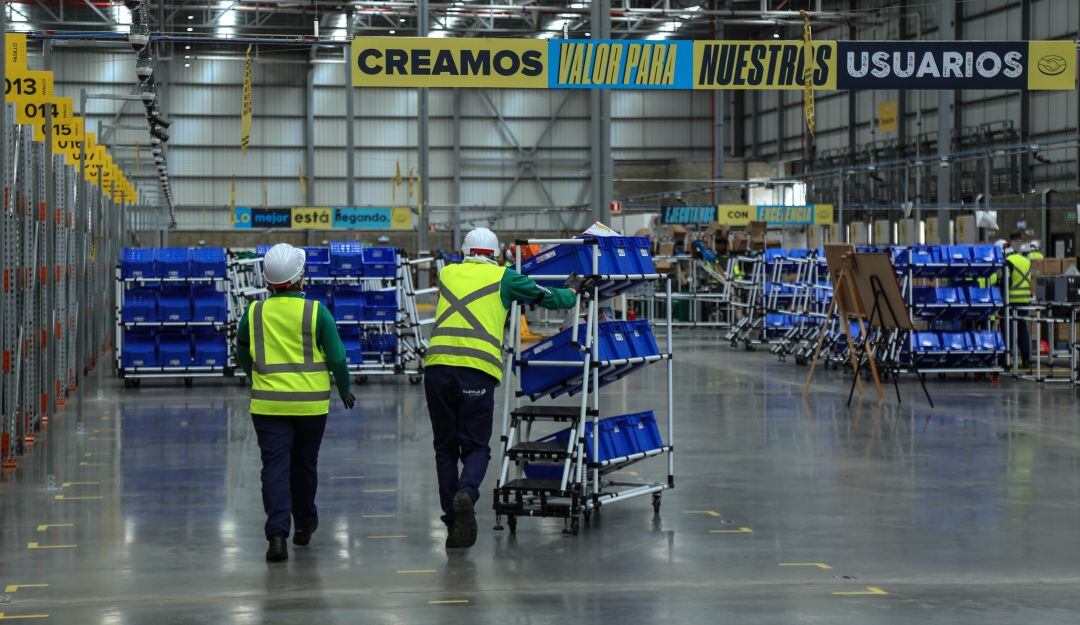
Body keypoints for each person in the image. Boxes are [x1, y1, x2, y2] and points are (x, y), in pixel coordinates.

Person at [423, 227, 586, 549]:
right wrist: (573, 290)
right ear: (495, 253)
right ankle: (466, 494)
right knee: (475, 447)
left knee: (444, 448)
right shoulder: (506, 277)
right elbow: (551, 299)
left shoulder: (447, 273)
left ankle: (453, 521)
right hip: (477, 371)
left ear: (466, 251)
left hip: (437, 367)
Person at [235, 243, 355, 562]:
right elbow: (338, 358)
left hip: (268, 406)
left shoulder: (255, 311)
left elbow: (241, 349)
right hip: (310, 407)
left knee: (274, 467)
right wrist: (344, 389)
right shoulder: (317, 312)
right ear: (300, 277)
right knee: (304, 465)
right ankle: (304, 524)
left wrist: (255, 376)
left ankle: (277, 535)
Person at [992, 240, 1032, 369]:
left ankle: (1006, 361)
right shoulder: (1025, 260)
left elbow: (1006, 284)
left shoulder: (1008, 263)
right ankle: (1027, 360)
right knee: (1022, 330)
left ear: (1002, 251)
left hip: (1011, 302)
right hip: (1024, 301)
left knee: (1007, 332)